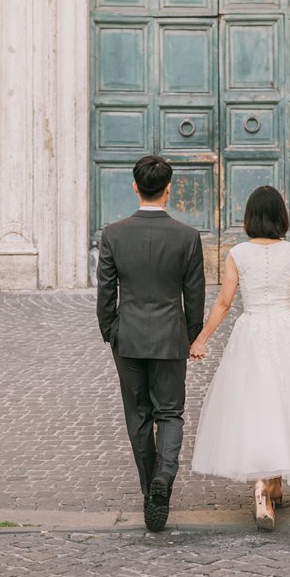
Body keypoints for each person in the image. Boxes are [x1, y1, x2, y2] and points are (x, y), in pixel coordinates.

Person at [189, 185, 290, 529]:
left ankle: (267, 485)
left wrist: (201, 338)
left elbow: (224, 303)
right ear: (281, 217)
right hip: (286, 331)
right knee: (286, 404)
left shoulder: (238, 254)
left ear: (249, 218)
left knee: (256, 405)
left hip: (252, 331)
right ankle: (270, 481)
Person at [97, 155, 206, 532]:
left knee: (138, 415)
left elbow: (105, 291)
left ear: (134, 187)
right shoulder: (188, 237)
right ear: (169, 189)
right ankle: (165, 478)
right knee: (170, 413)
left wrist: (110, 330)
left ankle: (149, 490)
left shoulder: (113, 234)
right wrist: (191, 335)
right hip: (169, 337)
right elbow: (195, 296)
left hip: (126, 338)